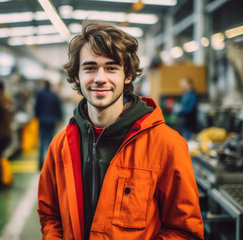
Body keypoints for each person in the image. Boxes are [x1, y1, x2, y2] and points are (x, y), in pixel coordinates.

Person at [37, 21, 204, 240]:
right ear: (77, 76)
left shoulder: (167, 146)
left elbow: (185, 231)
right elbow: (50, 215)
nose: (100, 78)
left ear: (127, 76)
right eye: (90, 68)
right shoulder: (60, 146)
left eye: (111, 67)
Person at [34, 80, 62, 170]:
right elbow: (58, 108)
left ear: (43, 84)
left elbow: (36, 107)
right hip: (52, 122)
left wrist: (37, 116)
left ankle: (40, 165)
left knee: (42, 144)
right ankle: (51, 164)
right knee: (51, 144)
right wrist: (59, 119)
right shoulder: (54, 95)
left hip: (42, 121)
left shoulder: (40, 94)